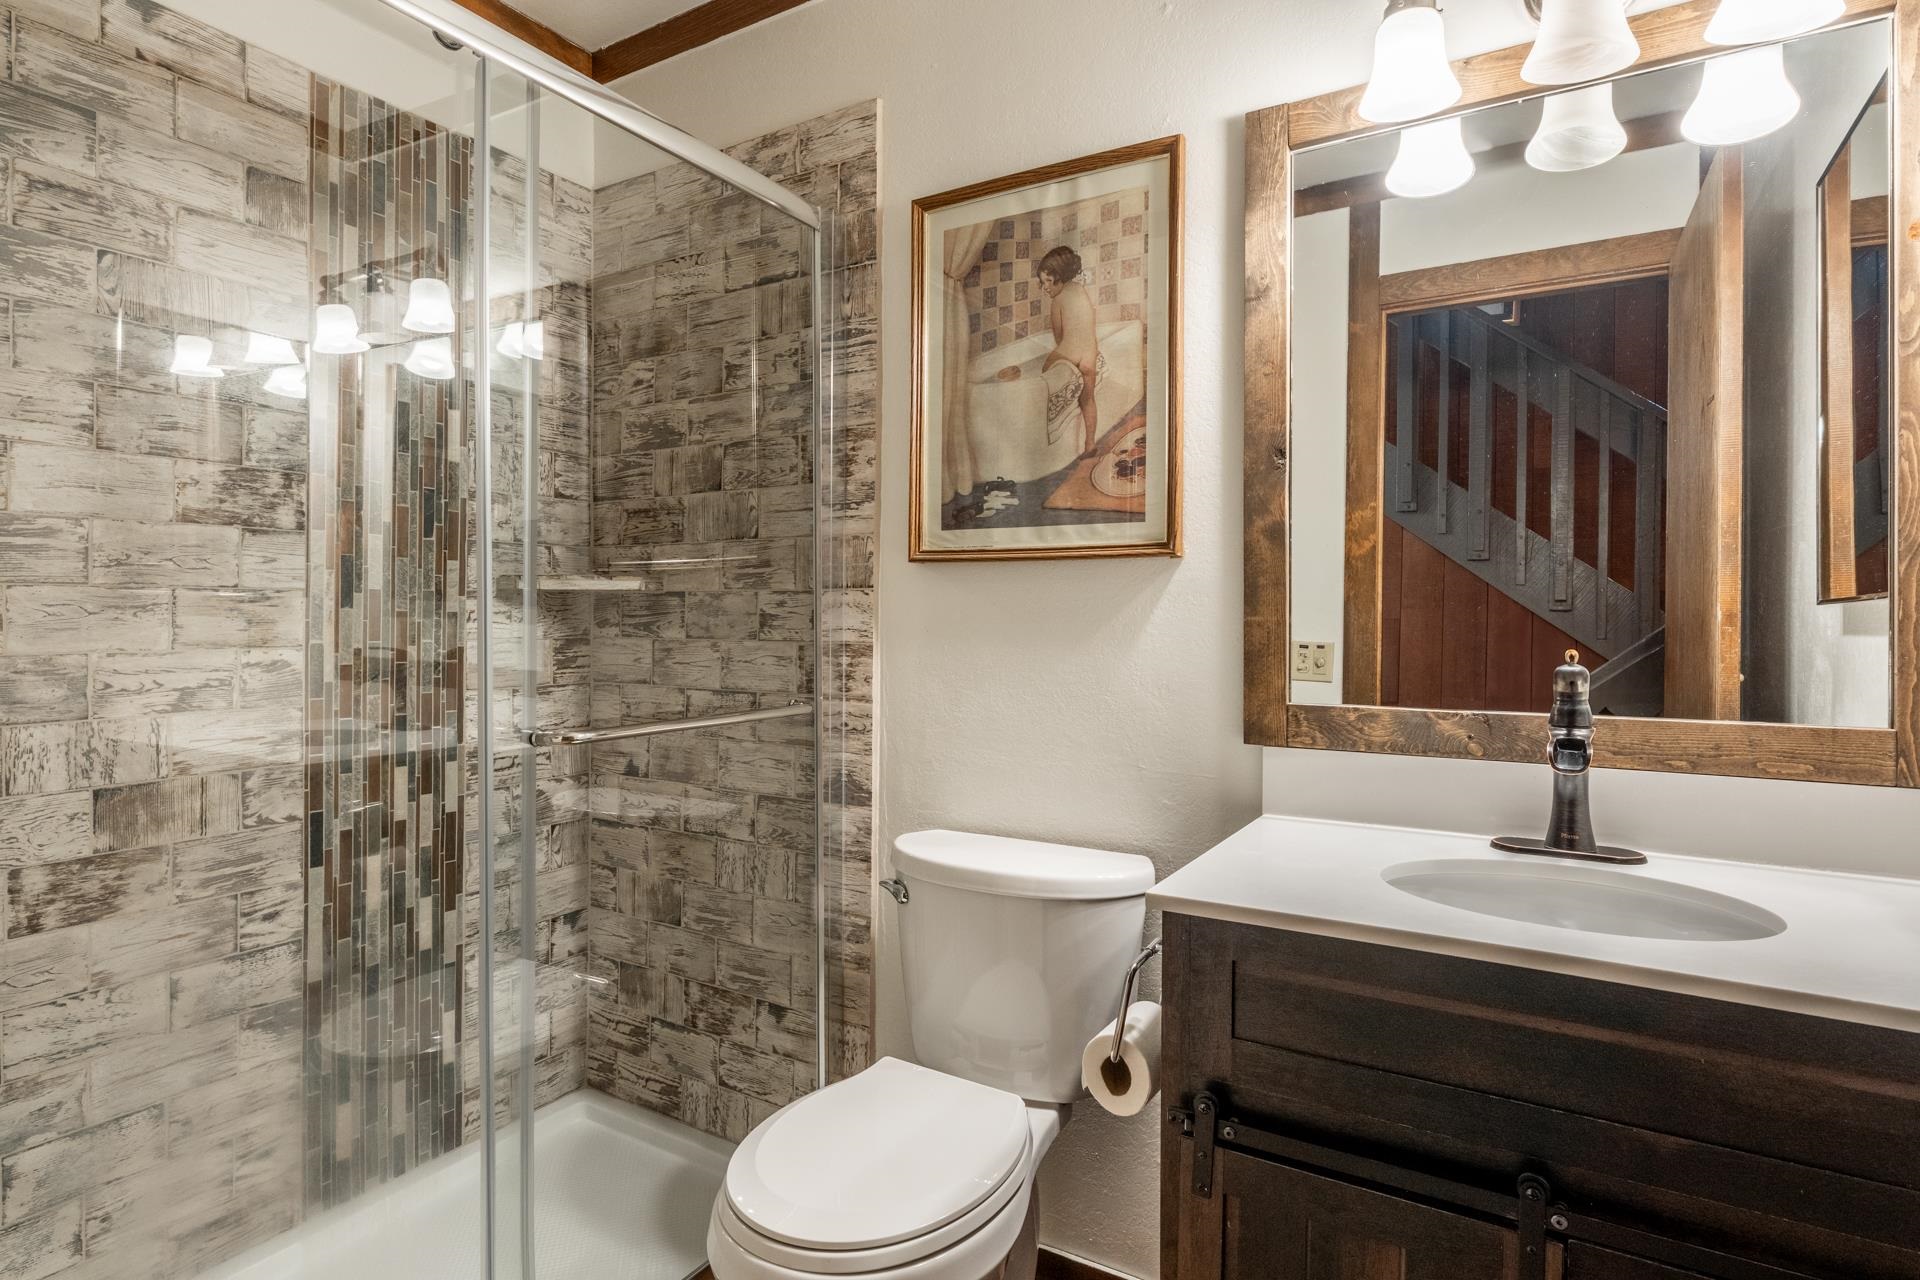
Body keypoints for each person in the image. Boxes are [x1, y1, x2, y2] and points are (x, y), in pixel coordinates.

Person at [1036, 245, 1102, 459]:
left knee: (1041, 382)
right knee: (1088, 399)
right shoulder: (1079, 289)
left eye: (1048, 281)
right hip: (1090, 354)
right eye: (1042, 282)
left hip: (1070, 352)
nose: (1045, 287)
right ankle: (1090, 444)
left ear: (1060, 277)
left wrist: (1058, 359)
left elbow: (1059, 336)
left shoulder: (1057, 301)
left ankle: (1052, 450)